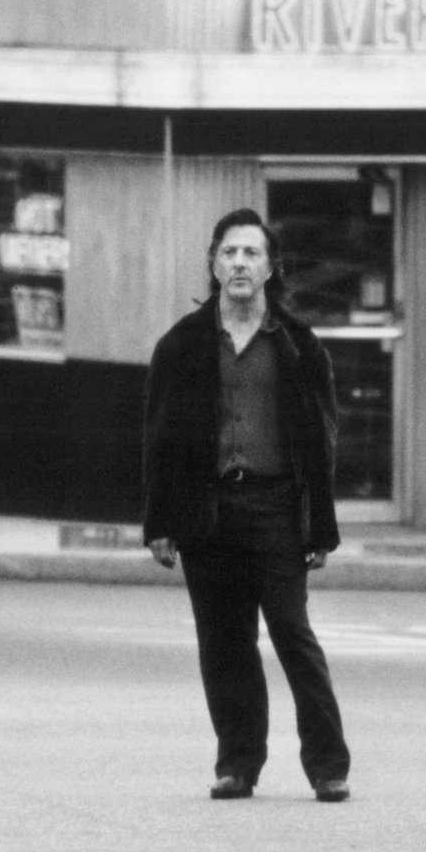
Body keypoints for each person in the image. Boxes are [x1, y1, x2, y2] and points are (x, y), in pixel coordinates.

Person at [142, 208, 352, 803]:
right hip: (208, 512)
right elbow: (159, 439)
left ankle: (328, 764)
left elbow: (322, 441)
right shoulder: (181, 346)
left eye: (251, 254)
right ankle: (238, 763)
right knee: (224, 641)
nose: (239, 263)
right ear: (213, 264)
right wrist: (159, 522)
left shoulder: (298, 346)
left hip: (276, 508)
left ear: (270, 267)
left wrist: (319, 528)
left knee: (291, 631)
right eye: (229, 253)